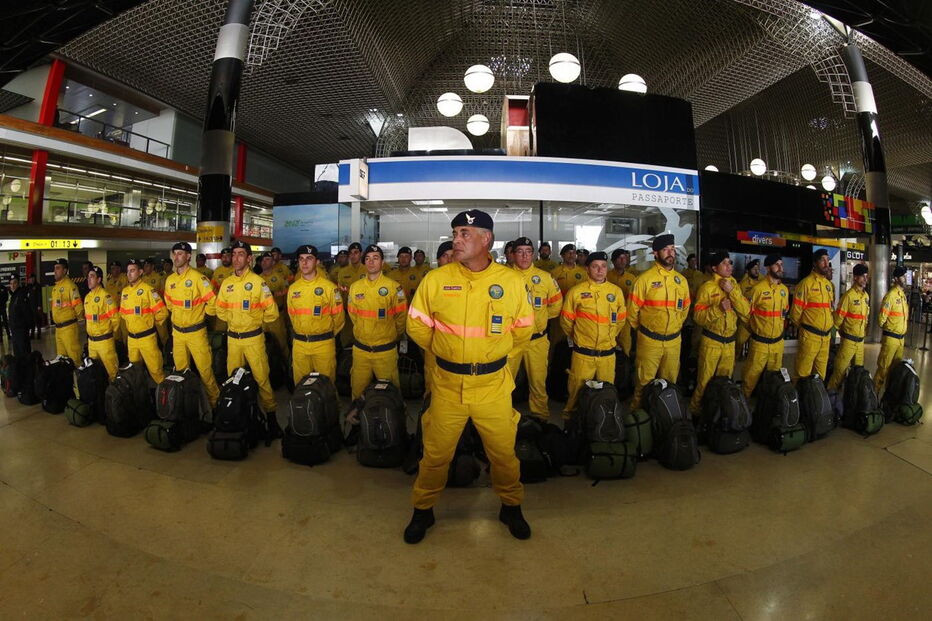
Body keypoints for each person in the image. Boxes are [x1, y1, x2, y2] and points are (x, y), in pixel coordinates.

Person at [405, 209, 534, 544]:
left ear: (486, 239)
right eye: (455, 233)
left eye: (464, 233)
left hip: (493, 386)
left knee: (503, 454)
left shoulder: (511, 283)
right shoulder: (436, 280)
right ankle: (423, 510)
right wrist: (445, 349)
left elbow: (523, 331)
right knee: (435, 455)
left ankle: (511, 505)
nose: (456, 240)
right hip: (447, 385)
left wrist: (493, 357)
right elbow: (416, 325)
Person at [216, 241, 282, 438]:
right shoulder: (227, 283)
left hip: (253, 339)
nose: (236, 258)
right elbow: (220, 309)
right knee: (232, 381)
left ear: (249, 259)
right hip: (233, 340)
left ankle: (272, 420)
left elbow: (272, 313)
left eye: (241, 254)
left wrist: (252, 320)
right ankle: (239, 417)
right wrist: (235, 319)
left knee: (262, 380)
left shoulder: (257, 283)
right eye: (234, 254)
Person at [626, 234, 691, 408]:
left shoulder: (681, 281)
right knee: (643, 384)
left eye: (672, 249)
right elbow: (632, 313)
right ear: (655, 253)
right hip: (650, 341)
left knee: (670, 383)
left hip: (673, 342)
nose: (670, 253)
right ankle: (639, 421)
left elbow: (685, 310)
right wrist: (646, 330)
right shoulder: (644, 280)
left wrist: (675, 327)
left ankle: (664, 421)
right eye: (665, 250)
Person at [560, 251, 626, 416]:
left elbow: (620, 321)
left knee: (607, 394)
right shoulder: (576, 292)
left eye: (603, 266)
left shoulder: (616, 292)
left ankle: (605, 427)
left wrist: (609, 337)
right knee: (575, 393)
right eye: (595, 266)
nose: (600, 270)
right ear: (587, 269)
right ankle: (570, 423)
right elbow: (566, 321)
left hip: (607, 356)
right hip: (583, 354)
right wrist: (578, 337)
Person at [689, 251, 749, 413]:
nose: (729, 266)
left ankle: (720, 415)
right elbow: (698, 317)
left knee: (726, 383)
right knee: (704, 383)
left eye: (730, 262)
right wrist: (718, 309)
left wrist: (732, 292)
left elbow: (746, 311)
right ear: (715, 268)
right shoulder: (707, 288)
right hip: (712, 342)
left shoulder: (734, 285)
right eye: (725, 263)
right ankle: (695, 413)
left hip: (729, 343)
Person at [510, 237, 563, 422]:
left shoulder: (545, 278)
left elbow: (556, 306)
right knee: (504, 382)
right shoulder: (504, 277)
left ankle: (540, 418)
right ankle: (501, 419)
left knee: (538, 383)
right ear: (513, 254)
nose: (524, 256)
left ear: (533, 254)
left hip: (537, 340)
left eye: (528, 251)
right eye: (520, 251)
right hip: (511, 341)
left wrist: (537, 321)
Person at [163, 241, 221, 409]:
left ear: (188, 256)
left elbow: (212, 301)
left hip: (196, 333)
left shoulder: (198, 278)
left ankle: (215, 405)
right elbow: (169, 303)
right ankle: (186, 407)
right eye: (175, 254)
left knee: (205, 372)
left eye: (180, 253)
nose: (176, 257)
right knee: (181, 372)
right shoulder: (170, 280)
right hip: (178, 334)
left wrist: (203, 315)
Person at [347, 245, 407, 401]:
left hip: (385, 350)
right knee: (358, 390)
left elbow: (401, 317)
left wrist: (394, 334)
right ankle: (356, 423)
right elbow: (353, 315)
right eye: (367, 258)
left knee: (390, 392)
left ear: (382, 262)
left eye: (375, 258)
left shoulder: (394, 287)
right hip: (361, 350)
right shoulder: (355, 287)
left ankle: (393, 422)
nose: (371, 262)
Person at [287, 244, 344, 386]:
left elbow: (339, 319)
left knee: (327, 386)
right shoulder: (293, 289)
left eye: (309, 258)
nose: (304, 263)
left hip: (323, 345)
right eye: (301, 259)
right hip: (300, 344)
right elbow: (292, 316)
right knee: (300, 385)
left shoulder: (329, 288)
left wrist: (324, 335)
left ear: (317, 262)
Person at [741, 254, 790, 399]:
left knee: (774, 381)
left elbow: (784, 313)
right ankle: (743, 410)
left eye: (782, 264)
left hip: (777, 344)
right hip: (760, 344)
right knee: (750, 379)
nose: (781, 267)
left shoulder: (784, 291)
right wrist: (754, 330)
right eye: (777, 264)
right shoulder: (758, 290)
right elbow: (746, 314)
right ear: (768, 268)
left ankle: (766, 411)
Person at [790, 249, 835, 381]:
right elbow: (795, 314)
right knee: (802, 373)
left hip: (825, 338)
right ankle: (800, 399)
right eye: (823, 260)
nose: (826, 263)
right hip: (810, 337)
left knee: (820, 375)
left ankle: (816, 400)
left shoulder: (828, 285)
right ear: (815, 263)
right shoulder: (806, 284)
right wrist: (806, 328)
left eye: (828, 260)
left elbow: (829, 310)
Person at [120, 259, 167, 384]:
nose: (129, 274)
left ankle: (163, 398)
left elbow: (162, 312)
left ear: (140, 272)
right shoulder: (125, 292)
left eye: (133, 270)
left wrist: (149, 323)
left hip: (147, 338)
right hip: (132, 340)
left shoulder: (148, 290)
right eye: (128, 271)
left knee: (156, 372)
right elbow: (124, 314)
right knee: (135, 374)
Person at [826, 263, 869, 392]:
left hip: (860, 342)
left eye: (866, 276)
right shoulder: (848, 296)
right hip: (848, 342)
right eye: (862, 276)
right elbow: (838, 319)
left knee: (858, 374)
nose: (865, 279)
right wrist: (832, 335)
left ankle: (851, 401)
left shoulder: (866, 297)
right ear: (855, 278)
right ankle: (831, 397)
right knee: (839, 372)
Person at [422, 241, 454, 395]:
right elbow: (418, 322)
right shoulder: (430, 281)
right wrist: (432, 345)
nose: (449, 260)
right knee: (432, 388)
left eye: (453, 256)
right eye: (444, 256)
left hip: (460, 352)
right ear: (438, 260)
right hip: (435, 348)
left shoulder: (471, 283)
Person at [874, 266, 909, 393]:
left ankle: (887, 400)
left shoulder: (903, 296)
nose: (905, 278)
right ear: (896, 278)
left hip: (900, 340)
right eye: (902, 276)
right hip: (891, 339)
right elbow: (881, 320)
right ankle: (874, 397)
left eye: (905, 275)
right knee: (883, 369)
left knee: (894, 372)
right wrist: (889, 329)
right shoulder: (891, 296)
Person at [83, 266, 120, 380]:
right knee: (94, 373)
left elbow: (115, 319)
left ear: (99, 280)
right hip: (92, 343)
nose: (89, 279)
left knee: (112, 373)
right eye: (88, 277)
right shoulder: (87, 297)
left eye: (92, 276)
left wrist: (108, 334)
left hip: (104, 342)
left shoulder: (106, 296)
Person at [49, 258, 84, 364]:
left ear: (65, 271)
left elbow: (78, 308)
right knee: (62, 360)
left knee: (74, 358)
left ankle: (78, 379)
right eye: (54, 268)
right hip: (58, 329)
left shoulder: (70, 286)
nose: (55, 271)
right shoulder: (56, 288)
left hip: (69, 328)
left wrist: (80, 323)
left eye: (58, 268)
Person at [258, 251, 291, 359]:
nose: (264, 262)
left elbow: (287, 292)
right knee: (261, 344)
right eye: (263, 260)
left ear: (273, 262)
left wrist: (276, 294)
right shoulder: (256, 279)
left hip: (277, 316)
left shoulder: (279, 277)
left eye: (267, 259)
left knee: (281, 341)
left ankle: (286, 366)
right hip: (261, 317)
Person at [607, 248, 638, 355]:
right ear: (613, 261)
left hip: (625, 318)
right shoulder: (606, 276)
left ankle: (624, 364)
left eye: (624, 258)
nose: (622, 260)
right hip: (607, 317)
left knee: (625, 344)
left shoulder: (632, 278)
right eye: (619, 258)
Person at [736, 259, 761, 358]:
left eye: (758, 268)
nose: (757, 271)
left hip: (759, 317)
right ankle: (736, 356)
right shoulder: (743, 284)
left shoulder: (763, 281)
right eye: (754, 269)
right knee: (740, 340)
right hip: (746, 318)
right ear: (748, 271)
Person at [7, 275, 33, 358]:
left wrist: (26, 329)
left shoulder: (21, 295)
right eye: (11, 284)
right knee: (17, 357)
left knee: (24, 356)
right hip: (14, 332)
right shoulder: (13, 296)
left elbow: (27, 313)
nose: (12, 286)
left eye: (14, 283)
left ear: (18, 284)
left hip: (21, 331)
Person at [209, 247, 234, 332]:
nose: (225, 258)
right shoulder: (217, 271)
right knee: (220, 331)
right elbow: (212, 288)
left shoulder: (237, 269)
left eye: (228, 256)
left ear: (232, 257)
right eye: (223, 256)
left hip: (235, 306)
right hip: (222, 307)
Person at [106, 261, 129, 343]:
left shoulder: (125, 279)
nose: (114, 270)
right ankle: (119, 350)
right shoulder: (109, 282)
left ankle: (126, 351)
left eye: (116, 268)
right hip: (114, 312)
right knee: (115, 332)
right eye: (112, 269)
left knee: (125, 333)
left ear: (119, 269)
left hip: (124, 311)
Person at [26, 274, 43, 340]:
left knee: (37, 321)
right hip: (30, 306)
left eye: (33, 278)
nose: (32, 279)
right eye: (30, 278)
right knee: (31, 321)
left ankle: (39, 334)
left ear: (34, 278)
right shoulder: (28, 286)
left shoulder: (37, 285)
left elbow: (39, 296)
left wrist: (39, 305)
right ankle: (32, 334)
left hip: (36, 306)